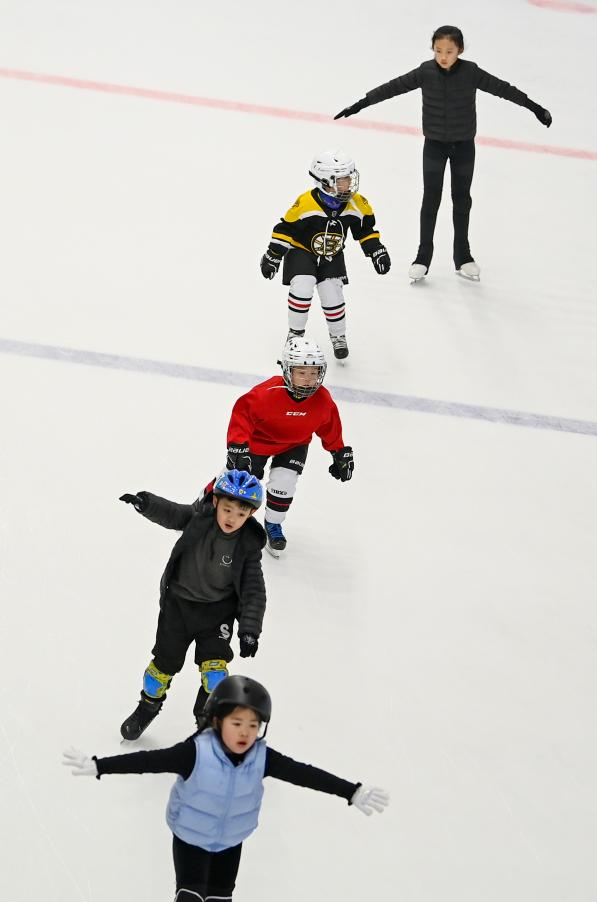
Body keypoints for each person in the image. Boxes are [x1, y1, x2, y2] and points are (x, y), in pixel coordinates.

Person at [63, 675, 389, 902]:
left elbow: (304, 773)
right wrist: (101, 766)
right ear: (216, 720)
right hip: (191, 836)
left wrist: (351, 791)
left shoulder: (262, 757)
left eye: (253, 724)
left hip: (230, 840)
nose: (246, 732)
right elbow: (149, 762)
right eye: (237, 723)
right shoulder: (196, 751)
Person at [335, 25, 552, 282]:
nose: (443, 56)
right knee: (431, 200)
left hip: (463, 146)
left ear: (459, 50)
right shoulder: (425, 72)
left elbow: (503, 89)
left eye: (449, 51)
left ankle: (463, 256)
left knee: (462, 200)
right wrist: (361, 103)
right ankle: (422, 257)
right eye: (438, 50)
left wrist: (534, 107)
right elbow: (393, 87)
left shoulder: (471, 72)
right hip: (435, 146)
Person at [117, 471, 266, 739]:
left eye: (240, 514)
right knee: (160, 669)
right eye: (227, 509)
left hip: (216, 613)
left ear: (251, 515)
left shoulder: (248, 546)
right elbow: (174, 513)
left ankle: (206, 719)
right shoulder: (200, 519)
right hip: (178, 608)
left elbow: (254, 591)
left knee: (215, 675)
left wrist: (250, 631)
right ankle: (147, 707)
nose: (231, 518)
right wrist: (146, 503)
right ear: (215, 502)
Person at [226, 334, 354, 558]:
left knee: (284, 482)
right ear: (287, 370)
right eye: (302, 372)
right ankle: (212, 504)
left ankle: (273, 525)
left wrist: (338, 451)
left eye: (314, 373)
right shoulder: (266, 394)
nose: (308, 379)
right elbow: (242, 414)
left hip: (293, 445)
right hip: (258, 443)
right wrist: (238, 445)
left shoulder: (323, 399)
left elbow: (329, 425)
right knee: (243, 483)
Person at [259, 149, 390, 361]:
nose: (349, 184)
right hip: (301, 251)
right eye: (342, 180)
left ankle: (338, 335)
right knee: (302, 285)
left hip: (332, 254)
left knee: (332, 294)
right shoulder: (306, 203)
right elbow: (286, 229)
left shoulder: (358, 204)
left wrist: (376, 251)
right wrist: (273, 256)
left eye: (349, 178)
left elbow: (365, 231)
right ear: (325, 182)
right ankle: (295, 333)